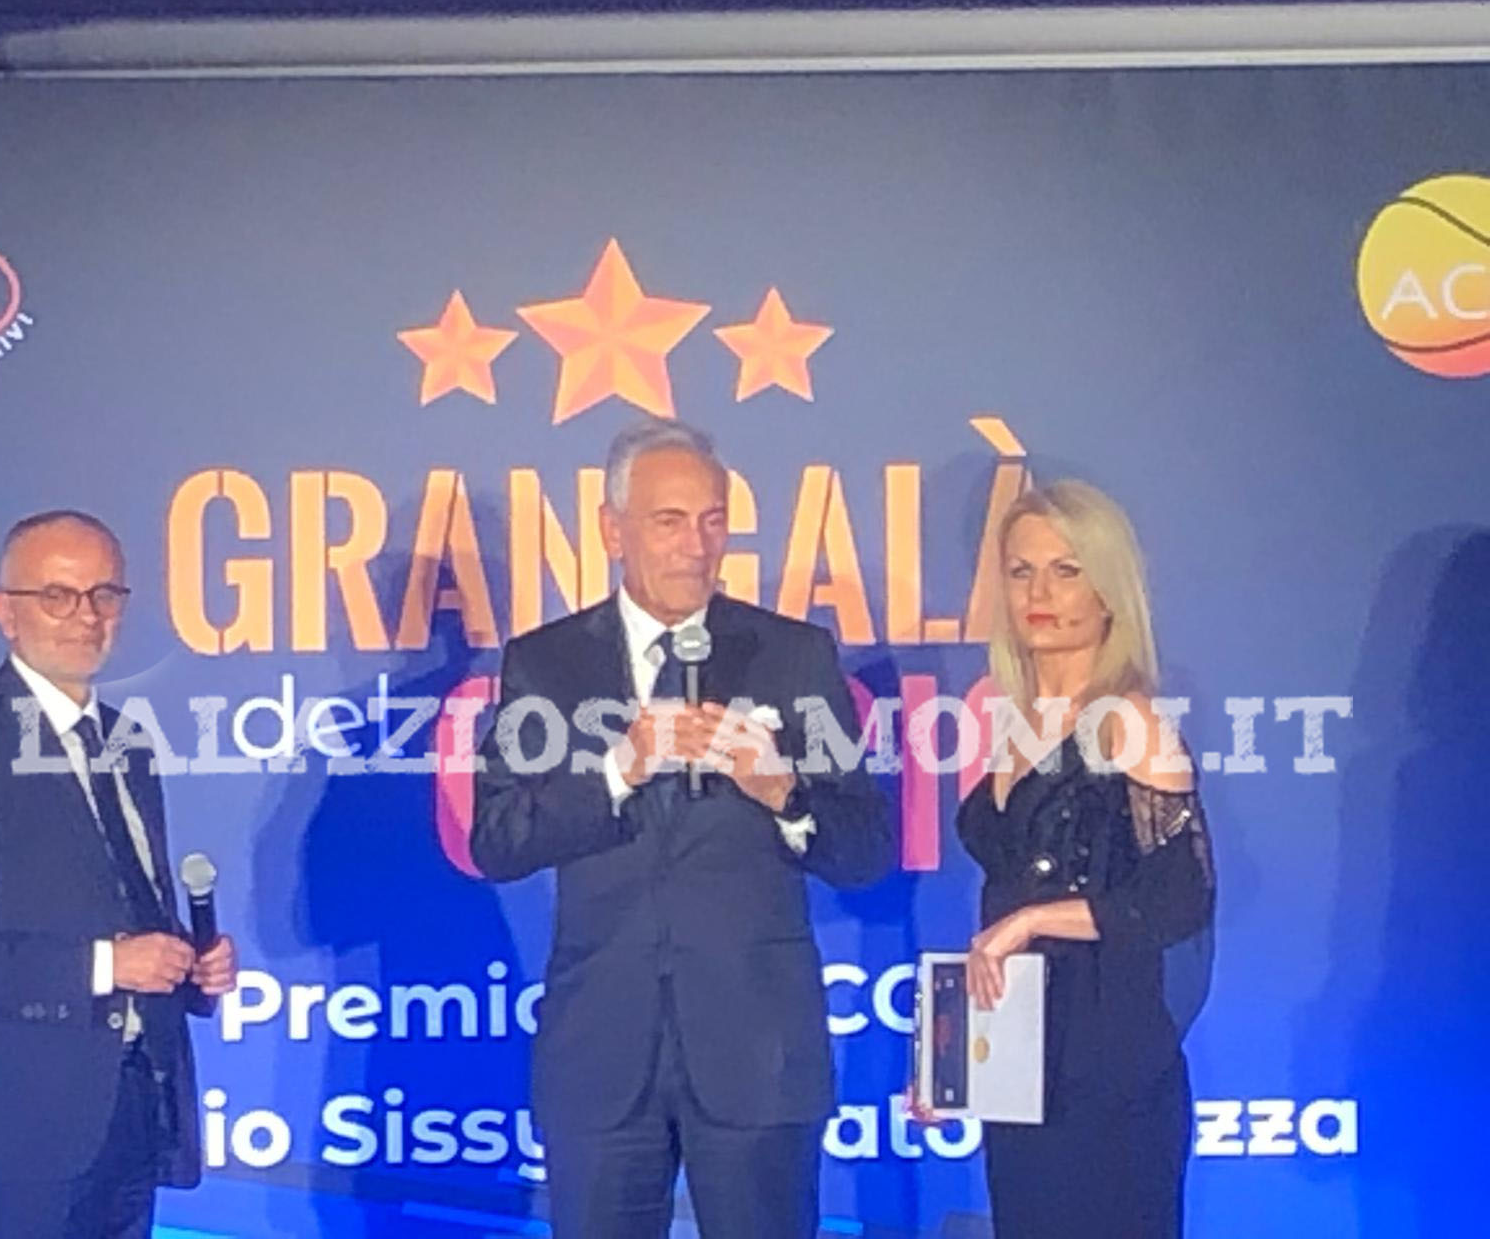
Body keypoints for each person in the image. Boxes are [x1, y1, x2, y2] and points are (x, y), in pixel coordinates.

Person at [470, 419, 894, 1239]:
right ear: (612, 530)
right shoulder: (547, 664)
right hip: (602, 1058)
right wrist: (616, 771)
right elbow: (498, 840)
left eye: (712, 521)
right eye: (669, 521)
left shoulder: (792, 656)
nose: (696, 547)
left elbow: (866, 849)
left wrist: (785, 792)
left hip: (757, 1055)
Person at [0, 510, 239, 1239]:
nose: (87, 616)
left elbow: (122, 902)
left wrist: (188, 965)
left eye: (105, 595)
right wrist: (106, 964)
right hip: (21, 1125)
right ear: (4, 612)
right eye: (58, 595)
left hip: (137, 1104)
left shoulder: (126, 743)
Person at [955, 480, 1215, 1239]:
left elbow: (1180, 896)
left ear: (1107, 591)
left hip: (1109, 1057)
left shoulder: (1129, 723)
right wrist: (957, 1053)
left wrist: (1036, 920)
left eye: (1066, 571)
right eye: (1021, 571)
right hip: (1020, 1055)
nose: (1040, 593)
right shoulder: (1012, 719)